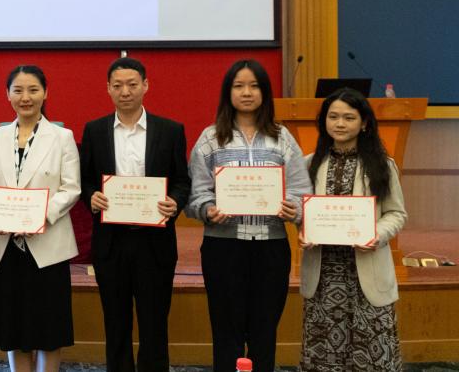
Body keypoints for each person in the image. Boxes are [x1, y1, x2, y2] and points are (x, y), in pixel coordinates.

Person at [186, 59, 312, 372]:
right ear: (228, 93)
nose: (246, 93)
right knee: (225, 331)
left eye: (254, 86)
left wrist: (292, 208)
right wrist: (207, 208)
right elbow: (195, 194)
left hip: (270, 248)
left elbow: (301, 190)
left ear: (264, 92)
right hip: (223, 248)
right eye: (239, 86)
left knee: (264, 331)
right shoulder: (211, 138)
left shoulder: (282, 138)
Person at [79, 57, 191, 372]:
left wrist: (174, 202)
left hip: (154, 243)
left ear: (145, 85)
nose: (125, 91)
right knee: (115, 324)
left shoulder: (170, 130)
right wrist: (91, 196)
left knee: (155, 324)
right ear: (108, 89)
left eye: (131, 84)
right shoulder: (95, 130)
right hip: (111, 242)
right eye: (117, 85)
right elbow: (85, 180)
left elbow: (182, 181)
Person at [0, 65, 80, 372]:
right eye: (18, 90)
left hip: (48, 246)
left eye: (33, 90)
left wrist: (38, 217)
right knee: (14, 329)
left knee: (49, 330)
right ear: (8, 95)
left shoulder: (62, 137)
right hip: (6, 247)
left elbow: (71, 188)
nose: (26, 97)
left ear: (45, 93)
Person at [299, 88, 406, 371]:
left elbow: (396, 213)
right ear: (324, 121)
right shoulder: (309, 164)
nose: (340, 123)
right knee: (324, 355)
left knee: (373, 353)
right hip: (324, 276)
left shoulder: (382, 165)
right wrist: (303, 228)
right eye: (333, 116)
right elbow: (302, 212)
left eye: (349, 117)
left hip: (366, 272)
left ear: (364, 123)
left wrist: (376, 235)